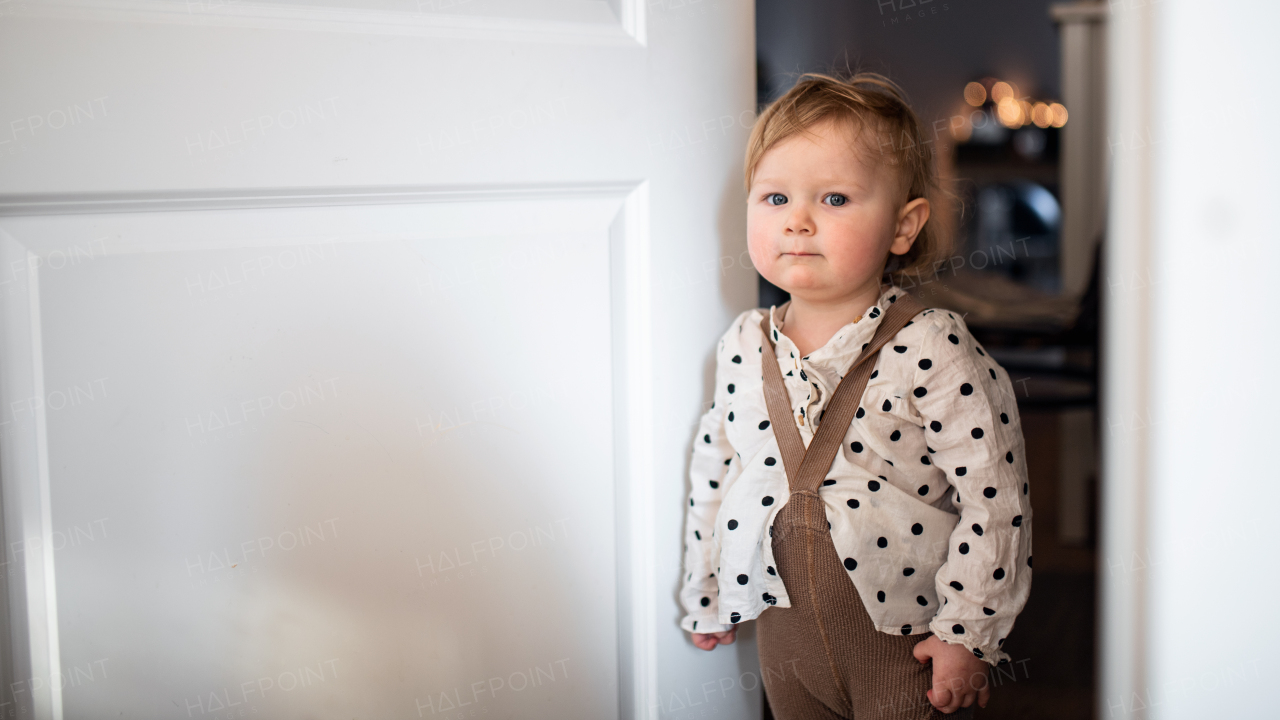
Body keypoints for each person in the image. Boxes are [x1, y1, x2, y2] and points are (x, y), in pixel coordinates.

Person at [678, 73, 1033, 719]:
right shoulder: (742, 344)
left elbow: (996, 497)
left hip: (905, 646)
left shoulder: (933, 347)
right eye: (776, 197)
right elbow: (716, 471)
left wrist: (967, 634)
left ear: (904, 227)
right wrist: (706, 589)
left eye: (835, 198)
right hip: (785, 640)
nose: (799, 221)